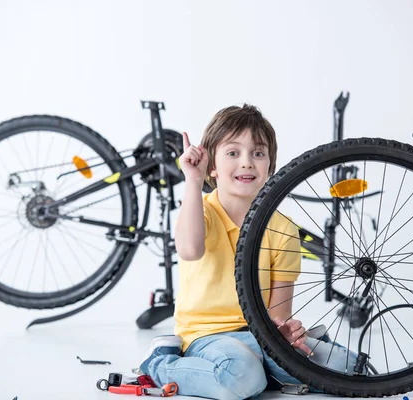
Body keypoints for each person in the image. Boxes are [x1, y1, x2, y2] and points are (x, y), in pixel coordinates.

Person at [137, 104, 358, 399]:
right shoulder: (200, 211)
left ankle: (267, 369)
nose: (247, 162)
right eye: (232, 153)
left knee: (351, 370)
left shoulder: (284, 229)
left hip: (261, 337)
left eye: (258, 153)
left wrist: (283, 336)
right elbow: (189, 250)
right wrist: (192, 180)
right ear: (212, 166)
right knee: (242, 378)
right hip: (207, 336)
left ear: (270, 165)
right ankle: (162, 363)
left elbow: (278, 312)